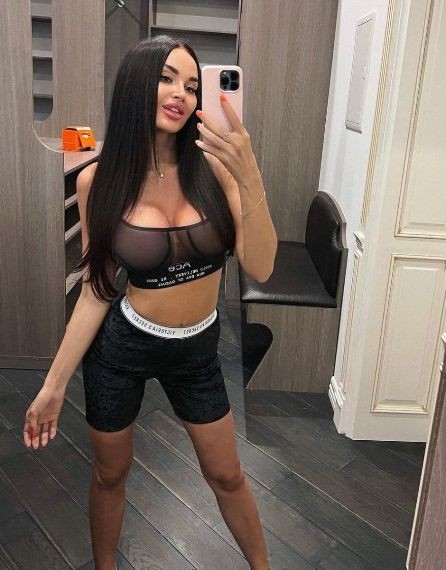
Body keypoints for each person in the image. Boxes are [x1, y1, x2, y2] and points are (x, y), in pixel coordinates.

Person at [22, 36, 277, 570]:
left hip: (198, 350)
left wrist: (249, 172)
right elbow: (98, 288)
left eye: (191, 85)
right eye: (166, 78)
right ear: (136, 84)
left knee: (227, 474)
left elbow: (261, 266)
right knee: (110, 474)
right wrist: (53, 385)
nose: (181, 93)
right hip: (123, 348)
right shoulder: (99, 180)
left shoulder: (216, 170)